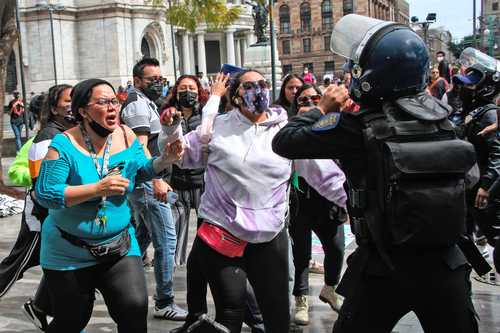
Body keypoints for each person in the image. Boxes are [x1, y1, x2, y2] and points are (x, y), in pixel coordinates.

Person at [272, 14, 478, 333]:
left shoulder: (357, 127)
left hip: (384, 265)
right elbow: (471, 177)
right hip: (446, 263)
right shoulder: (445, 122)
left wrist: (321, 108)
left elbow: (284, 142)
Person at [161, 69, 346, 333]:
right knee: (231, 315)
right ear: (235, 96)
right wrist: (171, 132)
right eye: (248, 86)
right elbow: (180, 154)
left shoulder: (286, 131)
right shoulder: (216, 129)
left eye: (262, 84)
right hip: (223, 234)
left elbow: (324, 175)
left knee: (278, 317)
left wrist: (352, 203)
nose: (257, 91)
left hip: (270, 237)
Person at [34, 78, 182, 332]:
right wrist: (96, 189)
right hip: (68, 251)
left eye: (114, 101)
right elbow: (46, 193)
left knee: (134, 309)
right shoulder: (63, 144)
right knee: (73, 320)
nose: (113, 107)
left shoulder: (125, 134)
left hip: (119, 246)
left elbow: (140, 171)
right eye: (103, 102)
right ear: (83, 110)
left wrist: (163, 161)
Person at [0, 84, 78, 331]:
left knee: (60, 263)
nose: (73, 105)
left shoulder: (74, 134)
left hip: (62, 218)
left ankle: (41, 306)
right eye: (68, 100)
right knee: (18, 264)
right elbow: (41, 183)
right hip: (41, 217)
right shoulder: (48, 137)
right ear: (54, 108)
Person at [120, 57, 187, 320]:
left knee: (142, 236)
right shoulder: (137, 106)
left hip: (147, 182)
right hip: (149, 184)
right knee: (166, 241)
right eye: (152, 80)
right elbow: (140, 147)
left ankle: (116, 275)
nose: (158, 84)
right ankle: (164, 300)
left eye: (160, 79)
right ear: (137, 81)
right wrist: (155, 178)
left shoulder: (145, 102)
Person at [288, 83, 347, 326]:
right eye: (303, 100)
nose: (310, 103)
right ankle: (301, 299)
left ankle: (330, 288)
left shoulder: (338, 125)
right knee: (301, 254)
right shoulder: (289, 131)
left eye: (315, 98)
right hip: (301, 200)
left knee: (336, 249)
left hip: (331, 201)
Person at [452, 48, 500, 275]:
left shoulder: (489, 114)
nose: (464, 88)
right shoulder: (472, 111)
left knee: (496, 238)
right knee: (463, 236)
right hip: (469, 187)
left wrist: (486, 186)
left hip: (484, 191)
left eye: (470, 84)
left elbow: (497, 155)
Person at [163, 75, 207, 266]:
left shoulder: (207, 114)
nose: (187, 92)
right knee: (174, 233)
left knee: (206, 232)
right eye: (182, 89)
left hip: (203, 184)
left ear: (199, 91)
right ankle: (173, 271)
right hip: (177, 183)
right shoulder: (168, 115)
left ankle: (203, 267)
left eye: (191, 88)